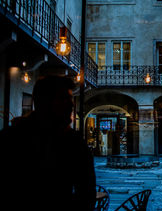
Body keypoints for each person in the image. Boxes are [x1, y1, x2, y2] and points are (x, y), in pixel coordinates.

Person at [0, 75, 96, 211]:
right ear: (44, 101)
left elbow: (86, 193)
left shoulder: (75, 142)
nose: (71, 104)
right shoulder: (13, 139)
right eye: (63, 98)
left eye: (70, 98)